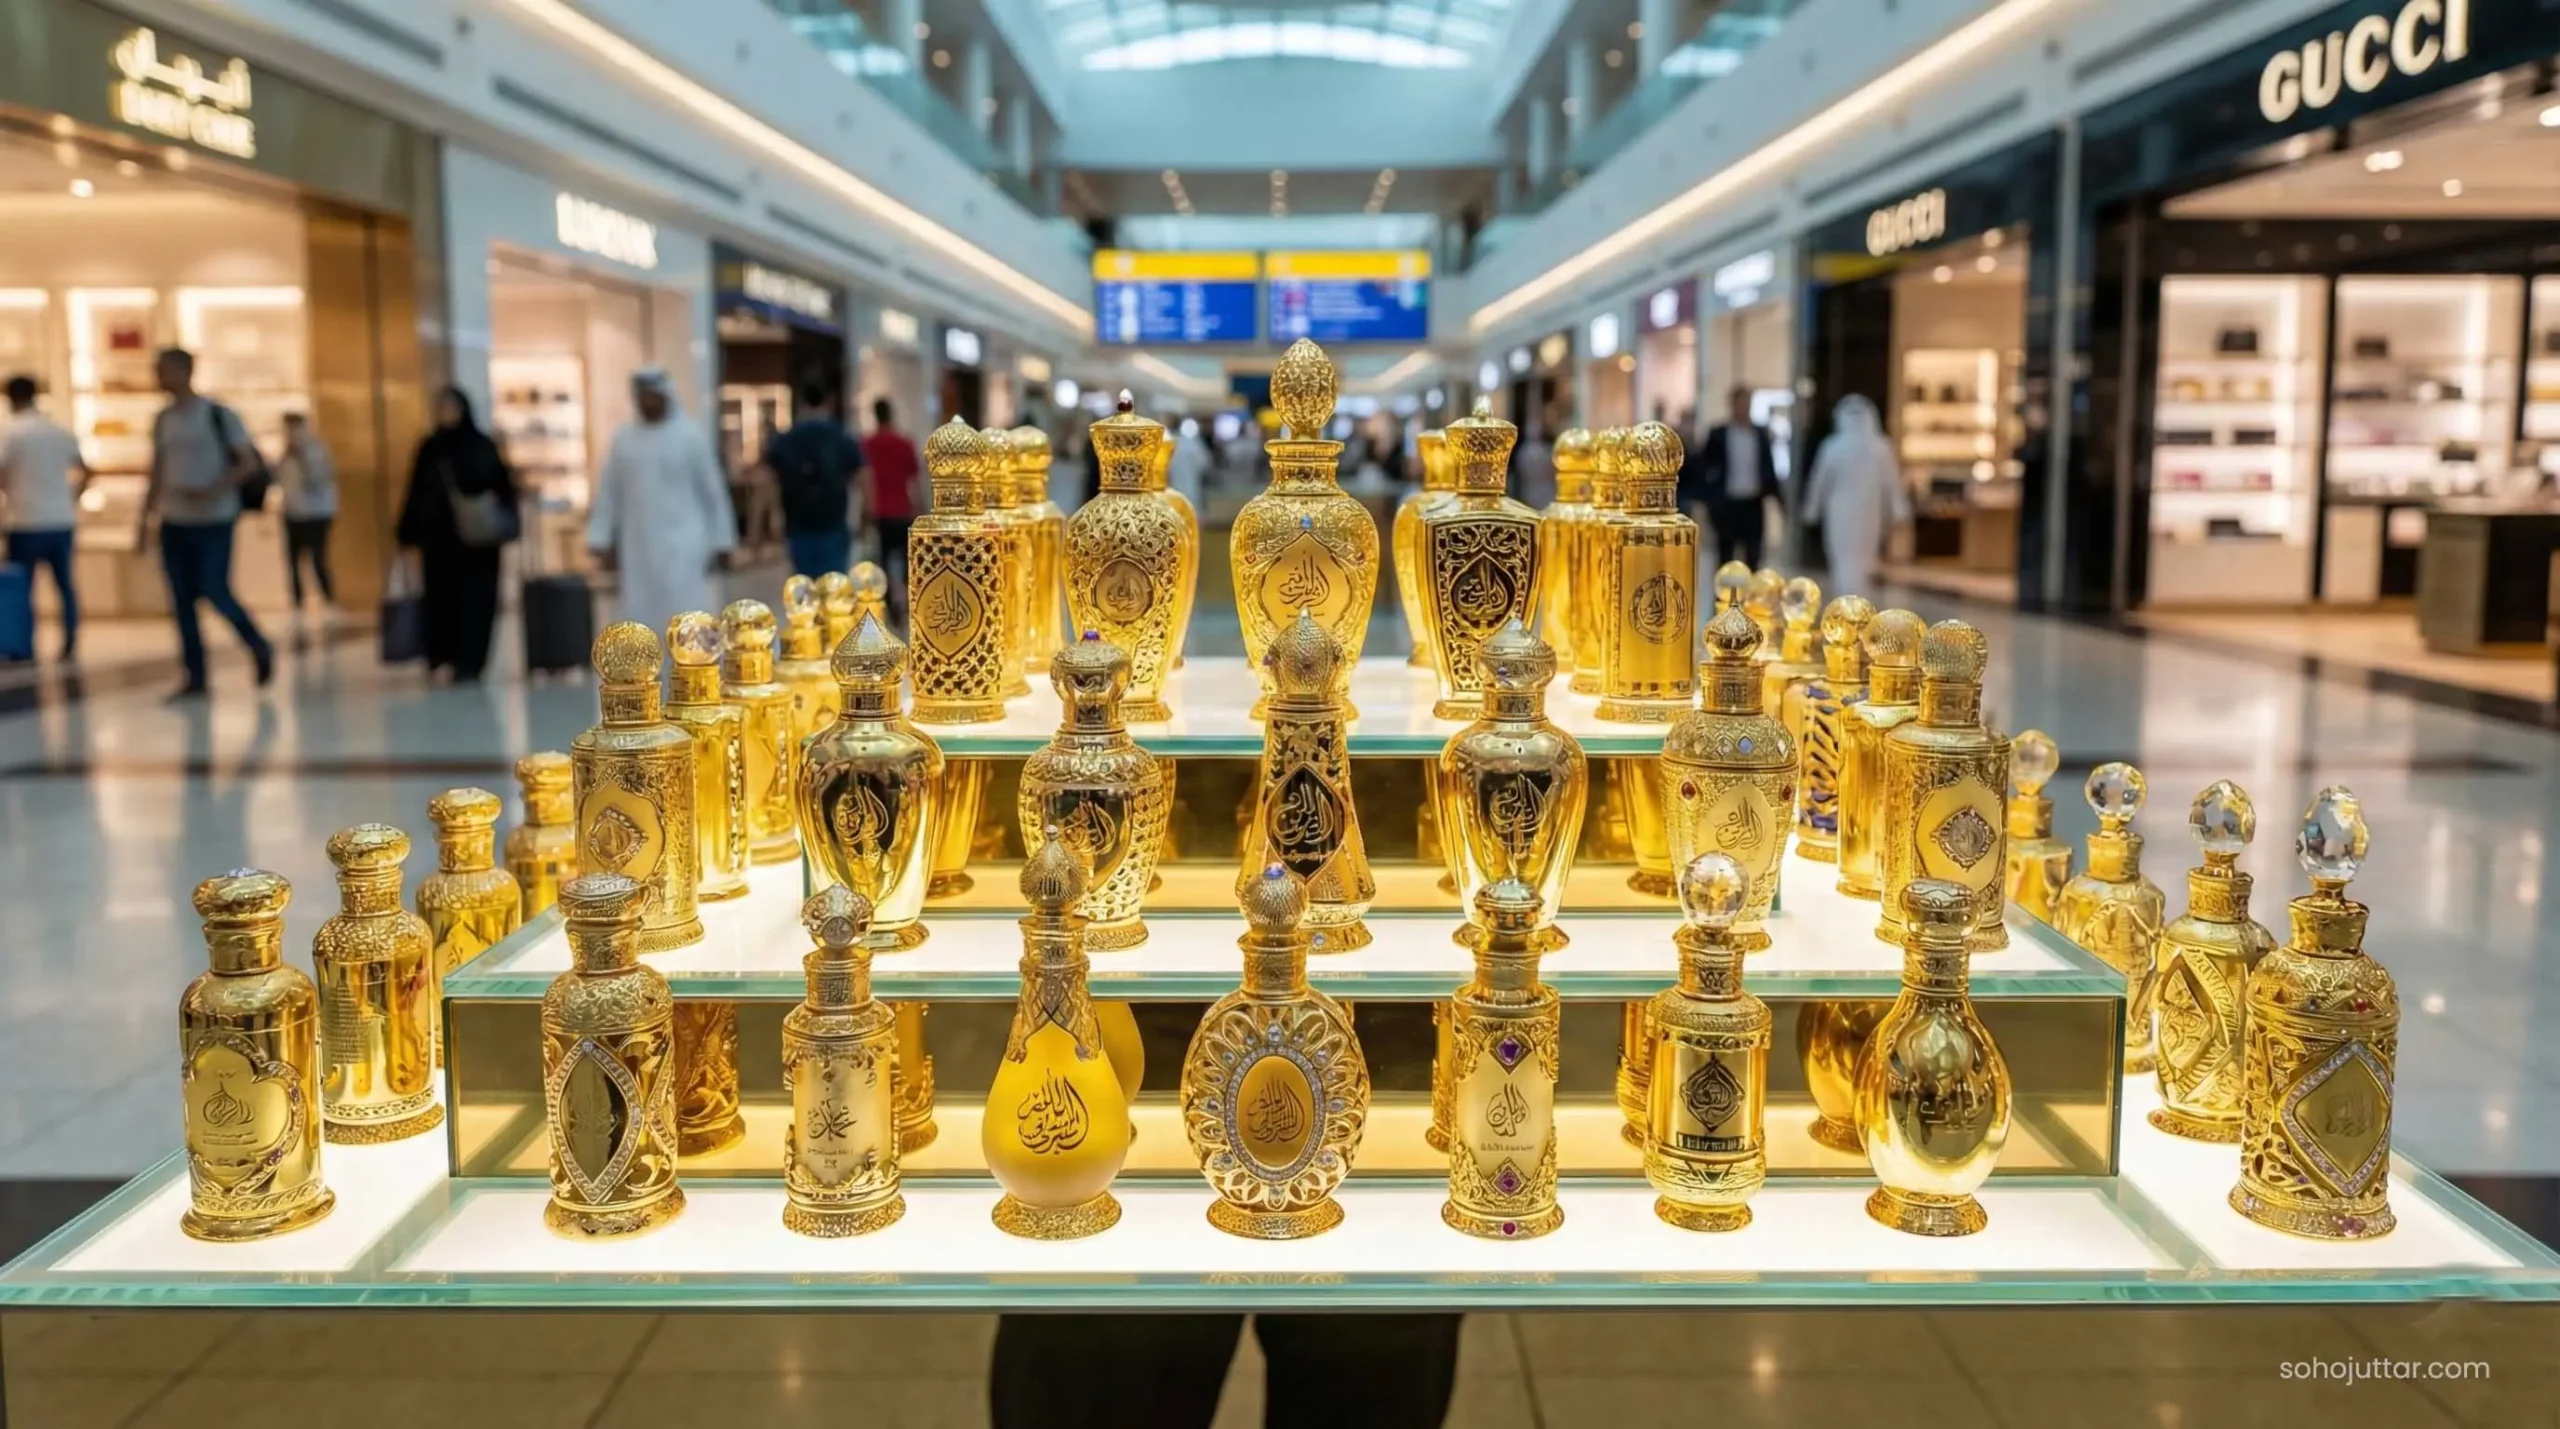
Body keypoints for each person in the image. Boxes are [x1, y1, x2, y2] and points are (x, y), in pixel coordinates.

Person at [145, 347, 273, 699]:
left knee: (214, 588)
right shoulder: (163, 419)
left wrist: (212, 490)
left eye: (164, 369)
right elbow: (156, 469)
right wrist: (146, 517)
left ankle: (257, 643)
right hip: (175, 520)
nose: (158, 377)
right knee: (182, 599)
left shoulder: (219, 414)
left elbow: (247, 462)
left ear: (185, 371)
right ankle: (195, 675)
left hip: (214, 519)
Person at [589, 369, 735, 638]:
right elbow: (609, 492)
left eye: (652, 396)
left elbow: (712, 493)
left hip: (685, 547)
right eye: (642, 397)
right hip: (638, 548)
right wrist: (600, 538)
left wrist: (723, 541)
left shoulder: (690, 437)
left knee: (687, 619)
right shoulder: (624, 440)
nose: (648, 403)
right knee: (640, 619)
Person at [397, 386, 518, 683]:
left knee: (476, 602)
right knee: (441, 601)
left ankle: (470, 661)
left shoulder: (481, 445)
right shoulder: (430, 447)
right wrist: (407, 531)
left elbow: (500, 486)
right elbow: (416, 491)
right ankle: (442, 656)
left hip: (477, 544)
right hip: (439, 542)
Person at [0, 375, 89, 661]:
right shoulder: (58, 430)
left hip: (24, 520)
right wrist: (71, 499)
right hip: (60, 519)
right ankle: (70, 640)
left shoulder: (10, 434)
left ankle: (23, 644)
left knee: (23, 588)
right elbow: (86, 469)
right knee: (65, 584)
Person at [1803, 393, 1910, 600]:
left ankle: (1852, 605)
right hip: (1858, 514)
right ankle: (1851, 605)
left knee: (1859, 561)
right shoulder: (1878, 447)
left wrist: (1812, 509)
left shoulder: (1841, 446)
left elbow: (1891, 483)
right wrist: (1898, 510)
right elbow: (1821, 481)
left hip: (1854, 514)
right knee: (1848, 561)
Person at [767, 379, 865, 579]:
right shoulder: (840, 437)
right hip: (833, 523)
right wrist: (866, 515)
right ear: (828, 402)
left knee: (804, 587)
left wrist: (764, 523)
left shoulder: (788, 439)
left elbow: (769, 482)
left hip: (798, 525)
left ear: (801, 402)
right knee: (834, 586)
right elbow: (863, 476)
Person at [1690, 385, 1779, 570]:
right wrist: (1707, 498)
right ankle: (1725, 598)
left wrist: (1777, 497)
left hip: (1753, 503)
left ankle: (1750, 597)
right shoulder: (1719, 434)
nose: (1743, 407)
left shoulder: (1760, 434)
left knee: (1753, 555)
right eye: (1740, 403)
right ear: (1732, 405)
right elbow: (1705, 466)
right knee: (1726, 556)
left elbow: (1768, 467)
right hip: (1727, 504)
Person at [860, 397, 920, 614]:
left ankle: (888, 602)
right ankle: (906, 599)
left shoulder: (867, 444)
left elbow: (863, 482)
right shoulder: (904, 443)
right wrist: (919, 509)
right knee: (907, 559)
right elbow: (913, 481)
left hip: (880, 511)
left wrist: (864, 513)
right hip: (902, 510)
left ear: (875, 415)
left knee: (883, 558)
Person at [276, 412, 338, 613]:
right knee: (292, 560)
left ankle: (329, 600)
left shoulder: (316, 449)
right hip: (292, 513)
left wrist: (302, 458)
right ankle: (297, 603)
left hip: (316, 513)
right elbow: (280, 480)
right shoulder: (286, 454)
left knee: (317, 558)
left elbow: (318, 479)